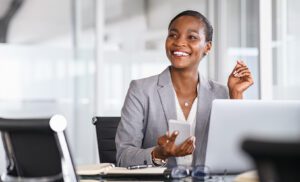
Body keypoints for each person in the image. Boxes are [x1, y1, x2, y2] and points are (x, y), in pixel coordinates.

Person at [115, 10, 253, 168]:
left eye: (192, 37)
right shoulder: (140, 90)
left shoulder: (222, 94)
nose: (179, 42)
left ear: (207, 47)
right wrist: (159, 154)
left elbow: (237, 154)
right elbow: (123, 157)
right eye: (173, 35)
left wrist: (236, 95)